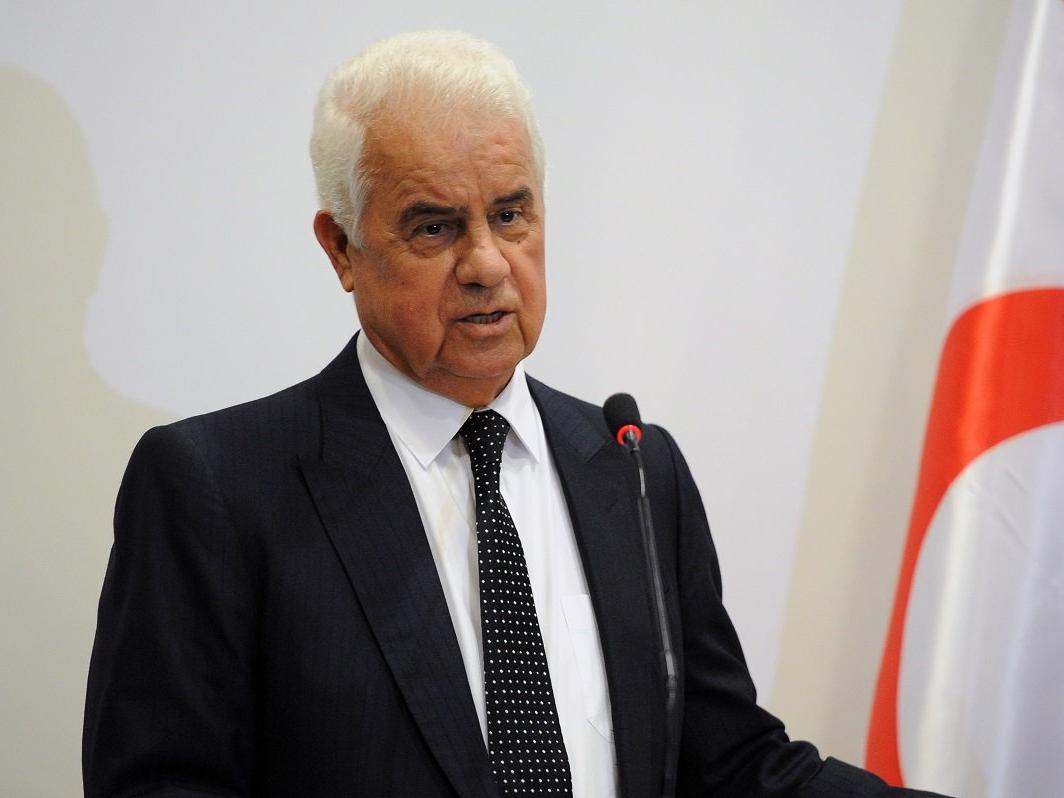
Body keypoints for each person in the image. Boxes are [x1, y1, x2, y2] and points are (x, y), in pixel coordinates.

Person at [83, 31, 948, 797]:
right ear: (341, 248)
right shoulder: (218, 488)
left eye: (510, 214)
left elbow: (732, 767)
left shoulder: (635, 470)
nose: (488, 264)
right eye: (435, 228)